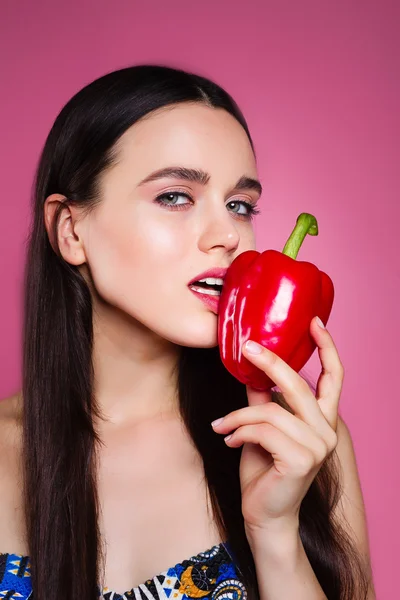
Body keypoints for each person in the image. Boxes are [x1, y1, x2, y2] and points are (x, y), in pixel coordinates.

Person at [0, 64, 375, 599]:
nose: (227, 234)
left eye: (240, 206)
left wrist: (274, 535)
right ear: (71, 231)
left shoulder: (301, 445)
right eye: (175, 197)